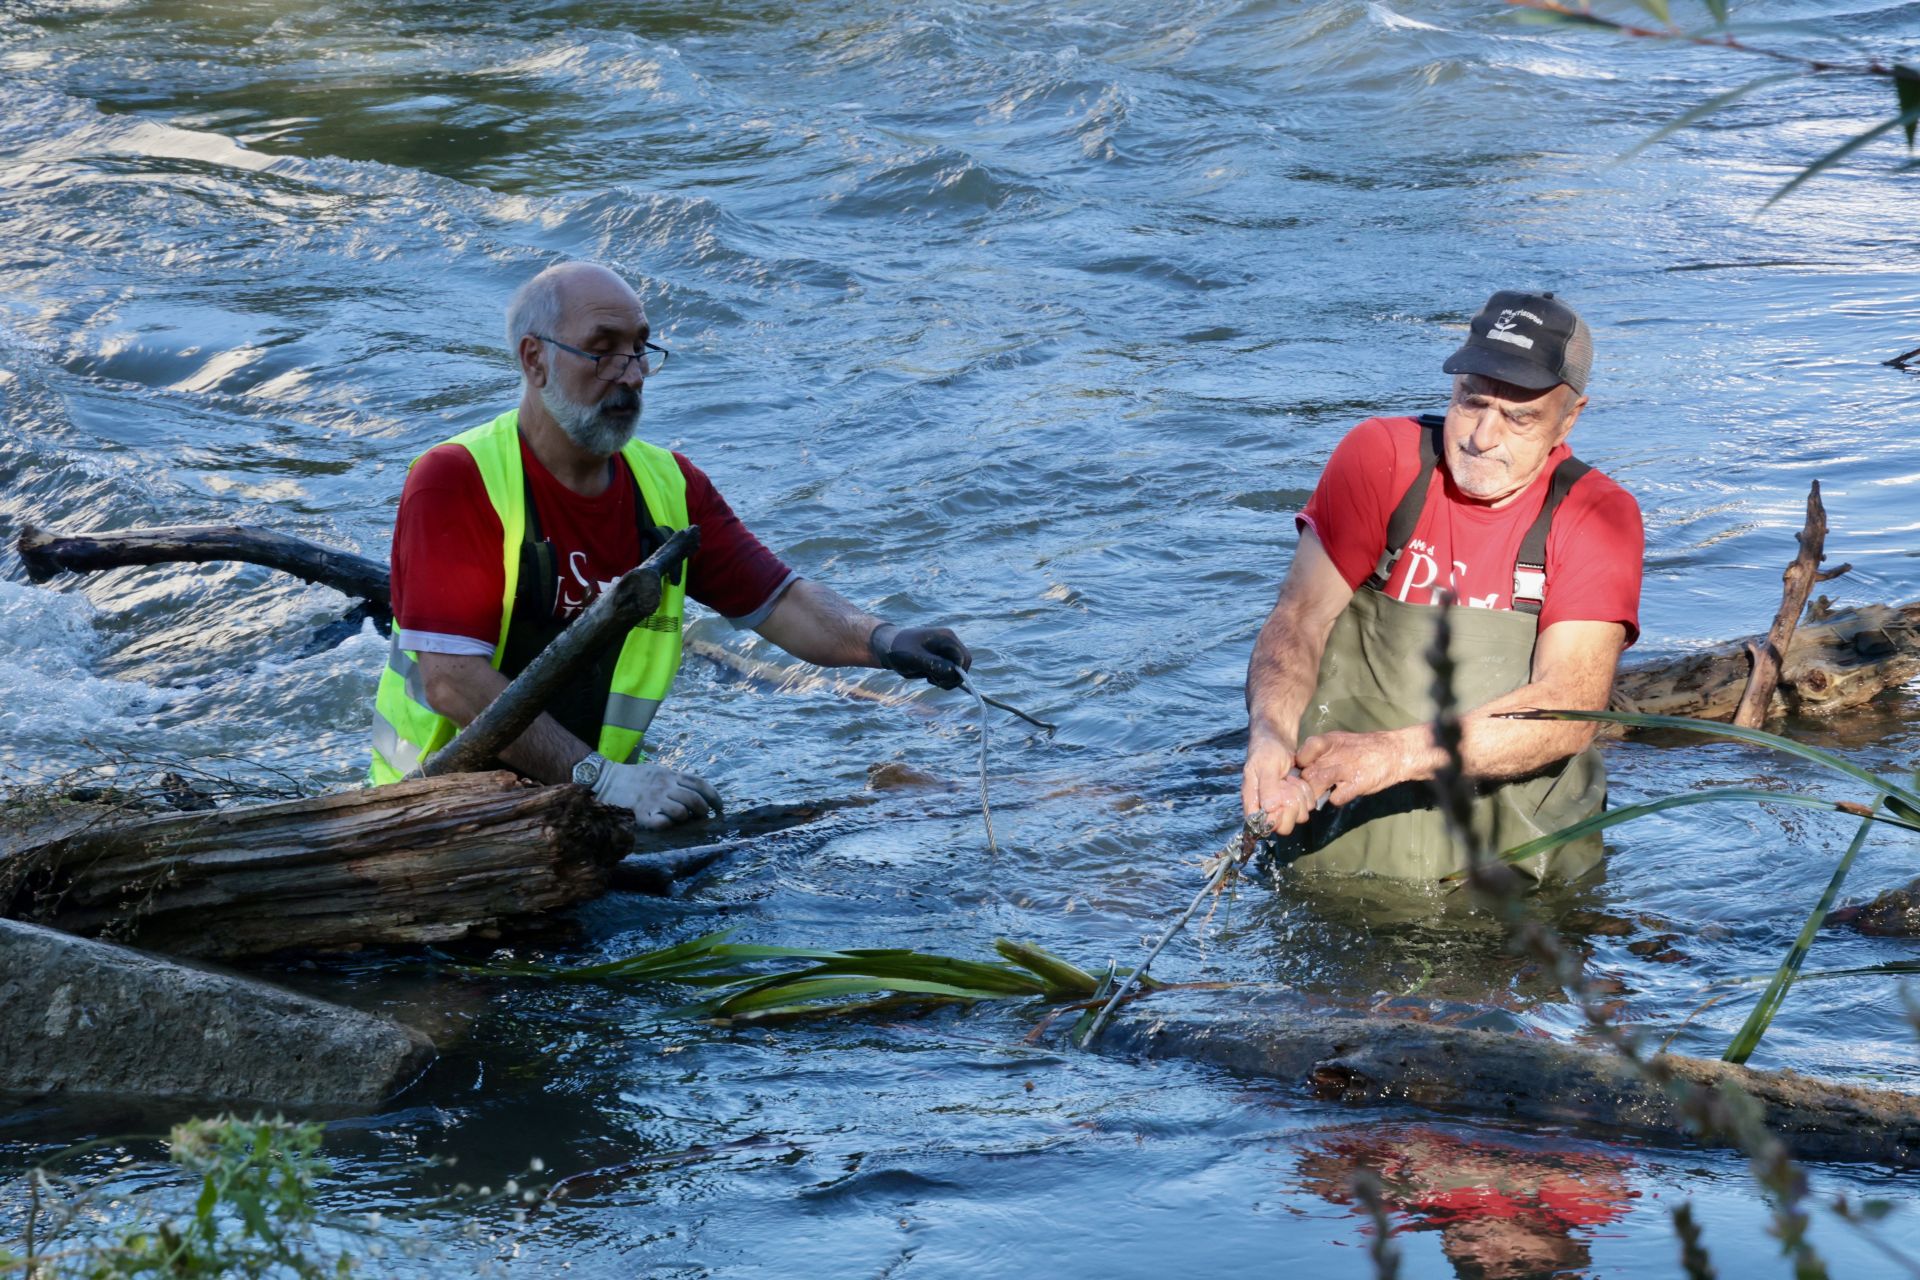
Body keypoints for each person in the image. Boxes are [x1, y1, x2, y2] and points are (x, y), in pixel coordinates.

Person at [370, 261, 972, 828]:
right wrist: (604, 780)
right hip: (432, 819)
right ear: (535, 360)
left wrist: (886, 641)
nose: (630, 375)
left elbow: (782, 601)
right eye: (602, 351)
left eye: (639, 349)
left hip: (579, 812)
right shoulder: (457, 478)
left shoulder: (670, 486)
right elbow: (449, 678)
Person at [1241, 291, 1643, 880]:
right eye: (1471, 402)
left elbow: (1568, 710)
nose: (1482, 436)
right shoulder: (1380, 458)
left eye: (1519, 417)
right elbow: (1299, 619)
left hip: (1512, 872)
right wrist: (1270, 738)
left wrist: (1394, 754)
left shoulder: (1596, 514)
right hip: (1338, 846)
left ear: (1571, 416)